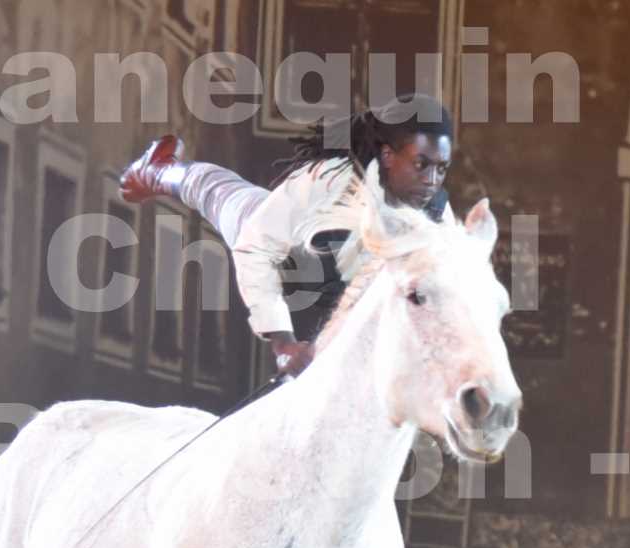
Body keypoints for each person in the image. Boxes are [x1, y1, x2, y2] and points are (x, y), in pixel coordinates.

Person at [120, 93, 455, 376]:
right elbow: (255, 249)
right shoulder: (329, 179)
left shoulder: (437, 214)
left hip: (330, 291)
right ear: (387, 155)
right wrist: (283, 344)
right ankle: (160, 169)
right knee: (218, 192)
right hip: (278, 251)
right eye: (421, 164)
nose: (432, 180)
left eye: (441, 168)